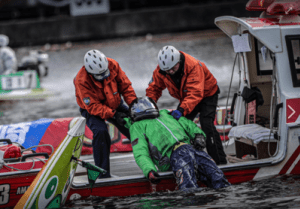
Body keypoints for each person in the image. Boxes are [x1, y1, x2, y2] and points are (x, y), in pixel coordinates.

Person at [125, 97, 230, 192]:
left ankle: (224, 198)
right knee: (189, 188)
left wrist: (198, 135)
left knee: (218, 177)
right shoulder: (136, 127)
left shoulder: (165, 113)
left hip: (192, 149)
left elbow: (188, 124)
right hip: (173, 156)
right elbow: (141, 152)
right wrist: (149, 170)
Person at [146, 45, 227, 165]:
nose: (170, 72)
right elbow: (154, 88)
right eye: (168, 70)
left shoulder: (193, 65)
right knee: (180, 126)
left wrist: (181, 110)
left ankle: (220, 161)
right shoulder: (161, 70)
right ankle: (189, 158)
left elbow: (195, 93)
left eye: (173, 68)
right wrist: (150, 105)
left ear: (178, 61)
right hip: (186, 97)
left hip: (207, 94)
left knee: (207, 125)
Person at [74, 49, 137, 178]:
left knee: (135, 125)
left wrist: (134, 106)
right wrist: (113, 115)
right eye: (99, 75)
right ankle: (102, 173)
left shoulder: (113, 64)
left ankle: (154, 158)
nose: (103, 77)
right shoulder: (81, 80)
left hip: (114, 102)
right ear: (90, 73)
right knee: (101, 132)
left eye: (104, 73)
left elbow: (126, 87)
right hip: (91, 109)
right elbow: (93, 106)